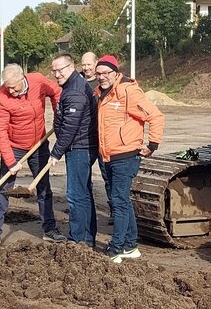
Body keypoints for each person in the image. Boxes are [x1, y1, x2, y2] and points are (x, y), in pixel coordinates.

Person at [0, 64, 66, 247]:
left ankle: (49, 229)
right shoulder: (1, 98)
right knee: (4, 187)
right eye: (7, 86)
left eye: (14, 86)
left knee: (44, 187)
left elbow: (57, 92)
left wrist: (59, 116)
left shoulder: (37, 80)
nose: (10, 90)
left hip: (39, 143)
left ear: (23, 78)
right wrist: (11, 161)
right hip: (14, 147)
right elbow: (0, 132)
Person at [95, 55, 164, 263]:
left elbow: (156, 116)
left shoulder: (128, 91)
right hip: (108, 155)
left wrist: (152, 144)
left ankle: (116, 248)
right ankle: (131, 245)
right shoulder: (100, 93)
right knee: (122, 200)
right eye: (98, 74)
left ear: (116, 73)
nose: (102, 77)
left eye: (106, 73)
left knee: (118, 201)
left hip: (125, 155)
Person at [50, 54, 98, 247]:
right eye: (53, 71)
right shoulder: (73, 84)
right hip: (80, 146)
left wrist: (56, 152)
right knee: (83, 192)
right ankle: (86, 237)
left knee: (76, 194)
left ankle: (78, 238)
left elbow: (71, 127)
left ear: (70, 67)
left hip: (80, 147)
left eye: (59, 70)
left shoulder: (75, 91)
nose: (56, 74)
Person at [81, 51, 113, 225]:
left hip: (102, 137)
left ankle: (114, 209)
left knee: (108, 175)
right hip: (84, 138)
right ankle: (84, 210)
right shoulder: (77, 81)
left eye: (89, 64)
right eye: (83, 64)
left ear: (96, 64)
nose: (86, 68)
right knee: (83, 176)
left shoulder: (103, 83)